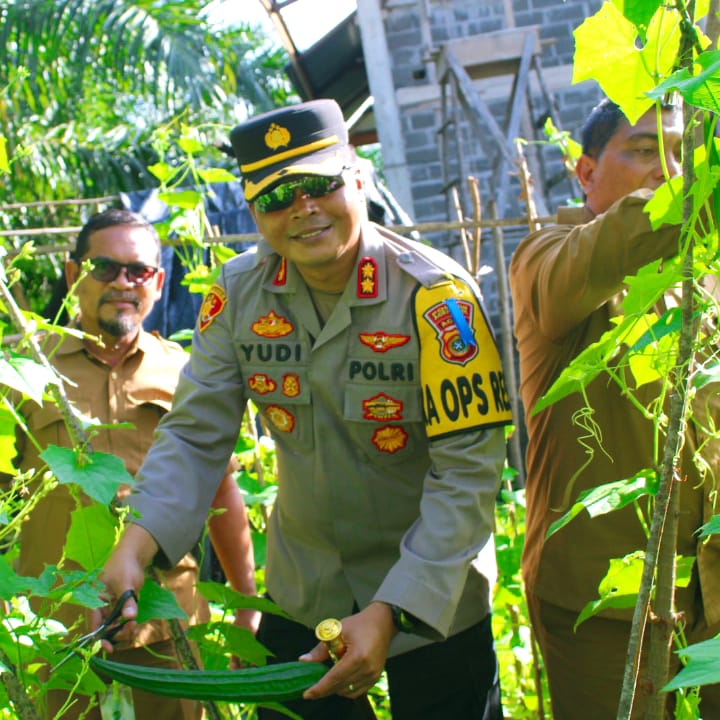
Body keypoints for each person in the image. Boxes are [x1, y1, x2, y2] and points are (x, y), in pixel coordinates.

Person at [95, 98, 513, 720]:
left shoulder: (438, 297)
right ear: (254, 209)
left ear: (359, 177)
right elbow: (193, 435)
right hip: (306, 595)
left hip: (433, 598)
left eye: (320, 185)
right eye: (275, 198)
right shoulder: (238, 297)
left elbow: (468, 474)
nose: (303, 210)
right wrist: (136, 543)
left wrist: (393, 610)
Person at [509, 98, 720, 719]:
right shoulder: (545, 257)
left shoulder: (704, 274)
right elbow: (590, 266)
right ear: (586, 171)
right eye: (645, 149)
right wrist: (695, 194)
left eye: (684, 153)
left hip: (709, 588)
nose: (669, 168)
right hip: (605, 605)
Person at [8, 209, 258, 719]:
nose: (122, 282)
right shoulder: (25, 372)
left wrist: (247, 603)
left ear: (158, 282)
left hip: (166, 625)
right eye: (105, 267)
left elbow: (220, 492)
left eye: (138, 271)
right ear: (73, 272)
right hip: (55, 628)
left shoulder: (188, 373)